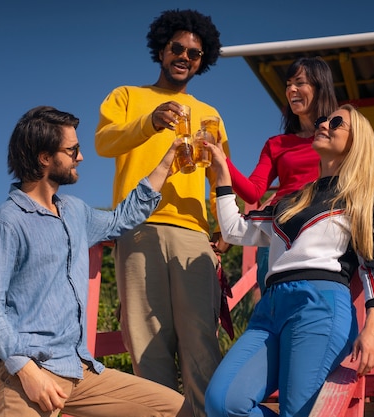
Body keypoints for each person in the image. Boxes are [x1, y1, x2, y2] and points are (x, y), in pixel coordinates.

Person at [0, 105, 194, 417]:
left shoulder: (75, 211)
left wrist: (168, 160)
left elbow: (122, 218)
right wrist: (28, 372)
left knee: (175, 410)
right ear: (44, 158)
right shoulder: (6, 223)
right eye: (72, 149)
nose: (81, 157)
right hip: (24, 371)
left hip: (79, 369)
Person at [204, 104, 374, 417]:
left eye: (336, 122)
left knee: (299, 412)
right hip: (270, 308)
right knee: (222, 402)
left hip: (318, 305)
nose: (324, 124)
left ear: (357, 141)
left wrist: (372, 329)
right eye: (322, 120)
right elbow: (235, 230)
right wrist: (222, 174)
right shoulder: (293, 200)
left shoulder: (364, 196)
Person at [94, 9, 229, 417]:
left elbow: (219, 177)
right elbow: (104, 142)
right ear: (161, 49)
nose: (185, 56)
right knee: (146, 342)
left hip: (193, 235)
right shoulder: (125, 97)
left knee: (201, 340)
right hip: (136, 230)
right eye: (178, 47)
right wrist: (150, 122)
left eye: (195, 52)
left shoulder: (210, 114)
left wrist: (224, 230)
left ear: (203, 61)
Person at [226, 56, 338, 293]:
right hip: (276, 230)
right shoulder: (276, 144)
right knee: (271, 303)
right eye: (288, 84)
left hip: (319, 231)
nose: (291, 90)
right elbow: (252, 191)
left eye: (299, 82)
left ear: (320, 87)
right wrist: (220, 160)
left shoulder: (339, 137)